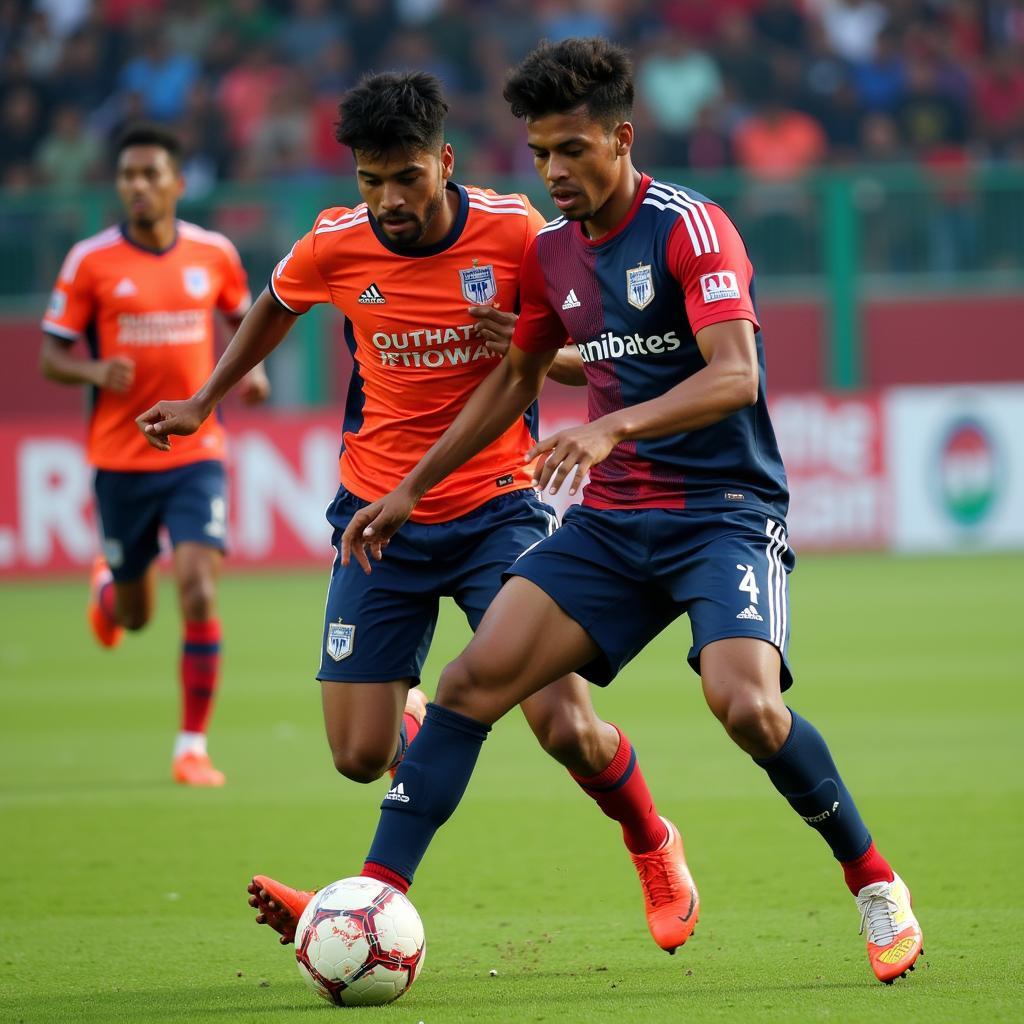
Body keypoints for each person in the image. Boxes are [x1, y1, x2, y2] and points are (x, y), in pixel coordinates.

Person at [323, 38, 919, 984]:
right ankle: (369, 901)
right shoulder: (551, 254)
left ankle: (874, 880)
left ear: (622, 138)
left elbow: (736, 375)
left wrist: (613, 426)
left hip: (723, 511)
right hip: (612, 522)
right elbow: (516, 379)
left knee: (747, 707)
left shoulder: (693, 227)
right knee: (474, 686)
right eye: (540, 155)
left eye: (572, 149)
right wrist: (409, 490)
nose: (555, 172)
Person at [136, 72, 699, 955]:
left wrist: (520, 354)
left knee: (564, 725)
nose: (390, 200)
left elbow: (579, 357)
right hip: (377, 515)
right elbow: (275, 305)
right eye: (370, 181)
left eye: (406, 177)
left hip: (499, 506)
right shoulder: (334, 243)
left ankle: (653, 844)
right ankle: (418, 745)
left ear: (443, 161)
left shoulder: (516, 231)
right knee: (358, 756)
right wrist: (206, 399)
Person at [40, 123, 270, 787]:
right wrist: (93, 372)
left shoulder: (214, 253)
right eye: (127, 176)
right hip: (119, 458)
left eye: (150, 174)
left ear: (176, 182)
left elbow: (241, 323)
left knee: (198, 586)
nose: (136, 186)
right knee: (138, 615)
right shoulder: (90, 261)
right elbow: (50, 355)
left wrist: (247, 376)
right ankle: (110, 591)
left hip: (197, 452)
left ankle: (191, 747)